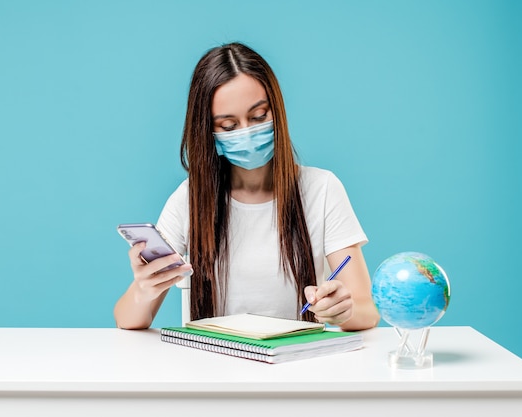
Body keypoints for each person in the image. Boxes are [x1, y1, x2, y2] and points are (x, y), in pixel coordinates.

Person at [114, 42, 380, 331]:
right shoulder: (189, 199)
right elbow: (127, 320)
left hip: (295, 366)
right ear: (208, 132)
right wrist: (144, 288)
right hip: (214, 368)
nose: (247, 133)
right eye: (228, 126)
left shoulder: (322, 189)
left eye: (258, 116)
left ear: (277, 111)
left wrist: (342, 309)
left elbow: (367, 312)